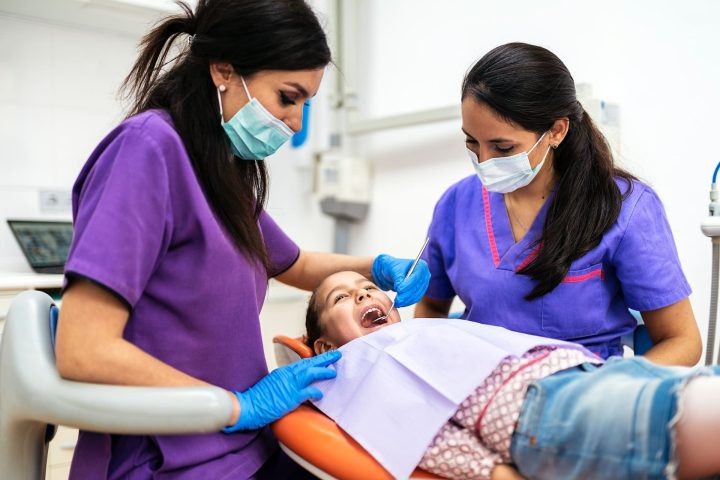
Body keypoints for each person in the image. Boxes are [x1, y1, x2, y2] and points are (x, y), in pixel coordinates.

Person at [54, 1, 430, 478]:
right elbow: (83, 348)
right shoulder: (147, 151)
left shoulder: (218, 169)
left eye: (305, 104)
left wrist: (378, 264)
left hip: (246, 446)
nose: (295, 123)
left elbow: (294, 262)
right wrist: (234, 406)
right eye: (287, 98)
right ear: (224, 70)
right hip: (172, 460)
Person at [415, 42, 701, 365]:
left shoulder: (624, 207)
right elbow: (431, 310)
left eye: (503, 147)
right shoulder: (456, 205)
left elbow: (682, 341)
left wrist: (604, 390)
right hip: (480, 395)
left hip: (581, 396)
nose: (483, 161)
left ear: (556, 130)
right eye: (471, 142)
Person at [305, 271, 720, 480]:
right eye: (342, 297)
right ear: (324, 346)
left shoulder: (422, 331)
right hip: (547, 414)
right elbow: (422, 434)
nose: (363, 293)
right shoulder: (355, 371)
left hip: (591, 374)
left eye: (369, 287)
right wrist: (497, 474)